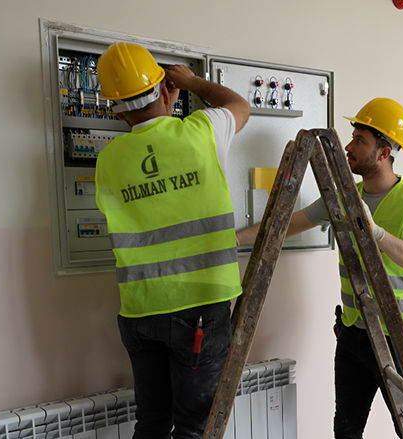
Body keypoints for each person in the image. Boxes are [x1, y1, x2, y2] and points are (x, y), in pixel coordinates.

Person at [237, 98, 403, 438]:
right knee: (345, 425)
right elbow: (284, 224)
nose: (348, 146)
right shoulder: (344, 196)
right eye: (353, 137)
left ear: (384, 152)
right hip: (354, 331)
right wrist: (229, 239)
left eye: (360, 140)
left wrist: (374, 232)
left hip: (402, 336)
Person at [94, 42, 250, 439]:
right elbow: (239, 104)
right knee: (195, 426)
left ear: (116, 109)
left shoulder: (108, 161)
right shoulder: (202, 132)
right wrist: (194, 81)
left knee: (153, 421)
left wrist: (169, 97)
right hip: (199, 309)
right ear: (165, 92)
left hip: (140, 311)